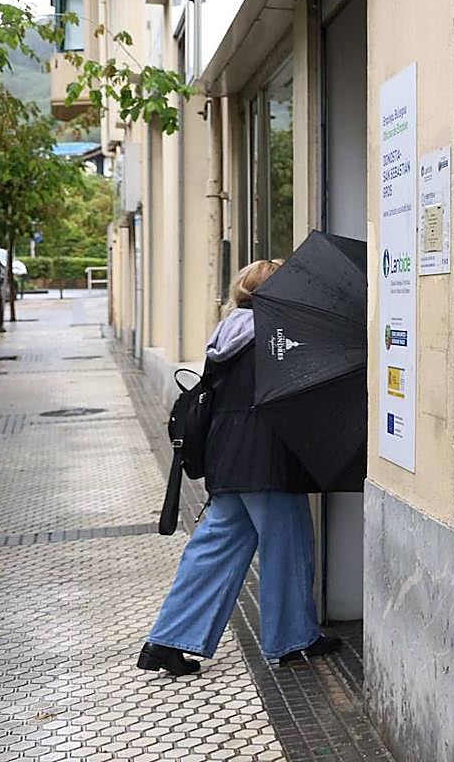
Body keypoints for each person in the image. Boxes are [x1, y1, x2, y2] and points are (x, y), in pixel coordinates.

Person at [138, 259, 339, 676]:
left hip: (227, 457)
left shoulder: (225, 334)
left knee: (212, 550)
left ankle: (166, 641)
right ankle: (291, 640)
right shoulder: (275, 334)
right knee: (287, 548)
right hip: (267, 460)